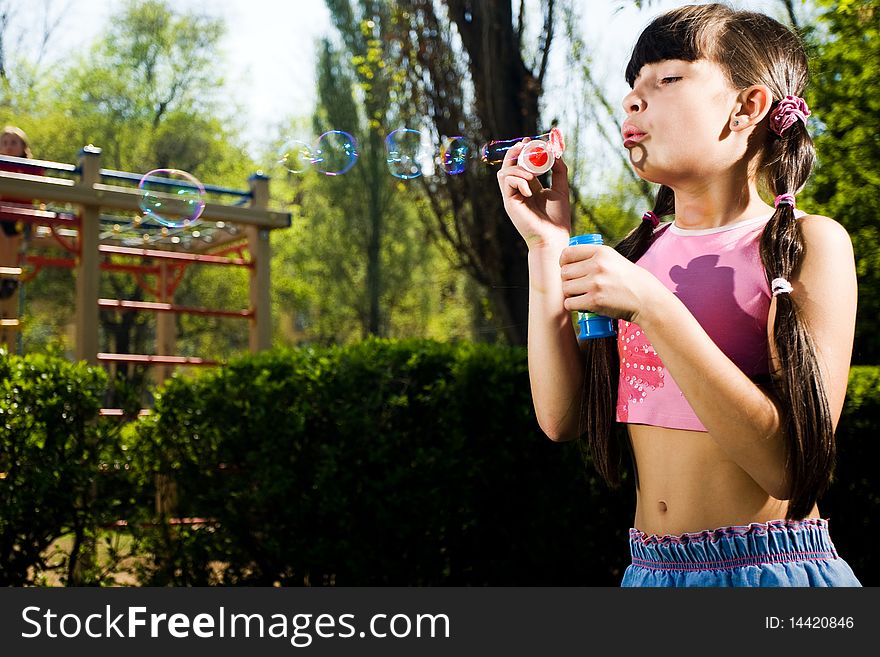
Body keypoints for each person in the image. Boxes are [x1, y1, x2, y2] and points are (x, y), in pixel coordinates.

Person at [496, 3, 860, 586]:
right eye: (632, 86)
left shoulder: (807, 245)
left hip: (768, 574)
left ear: (747, 107)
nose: (633, 100)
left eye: (666, 78)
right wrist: (545, 247)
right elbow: (560, 418)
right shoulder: (637, 255)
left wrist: (653, 305)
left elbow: (791, 471)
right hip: (652, 575)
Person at [0, 125, 37, 348]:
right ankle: (6, 276)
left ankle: (9, 277)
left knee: (11, 237)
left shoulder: (31, 168)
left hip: (19, 218)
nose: (8, 146)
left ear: (23, 147)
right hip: (2, 215)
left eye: (14, 142)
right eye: (4, 142)